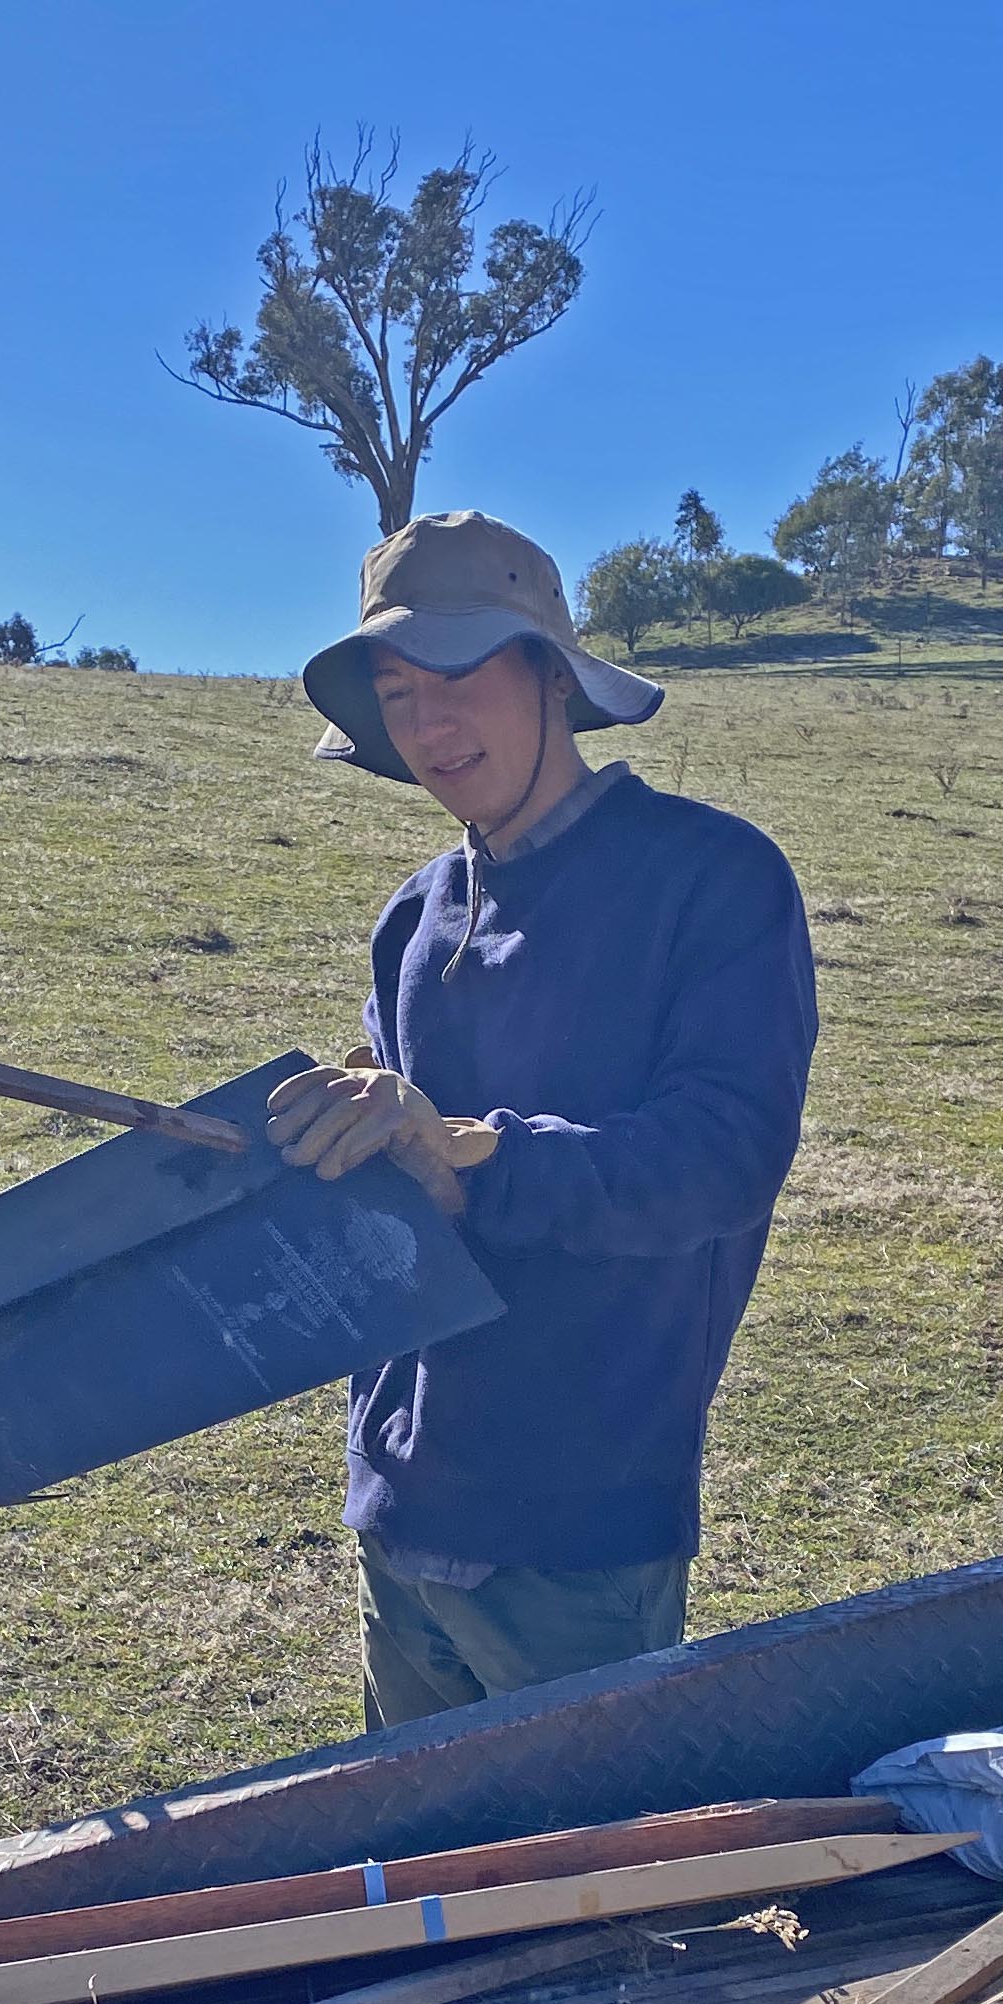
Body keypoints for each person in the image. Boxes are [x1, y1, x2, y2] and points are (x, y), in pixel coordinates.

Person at [271, 510, 819, 1730]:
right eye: (397, 693)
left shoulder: (710, 878)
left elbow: (721, 1157)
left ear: (552, 676)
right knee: (408, 1847)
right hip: (399, 1507)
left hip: (577, 1526)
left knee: (581, 1849)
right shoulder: (412, 918)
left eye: (459, 675)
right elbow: (394, 1187)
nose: (428, 725)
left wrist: (470, 1154)